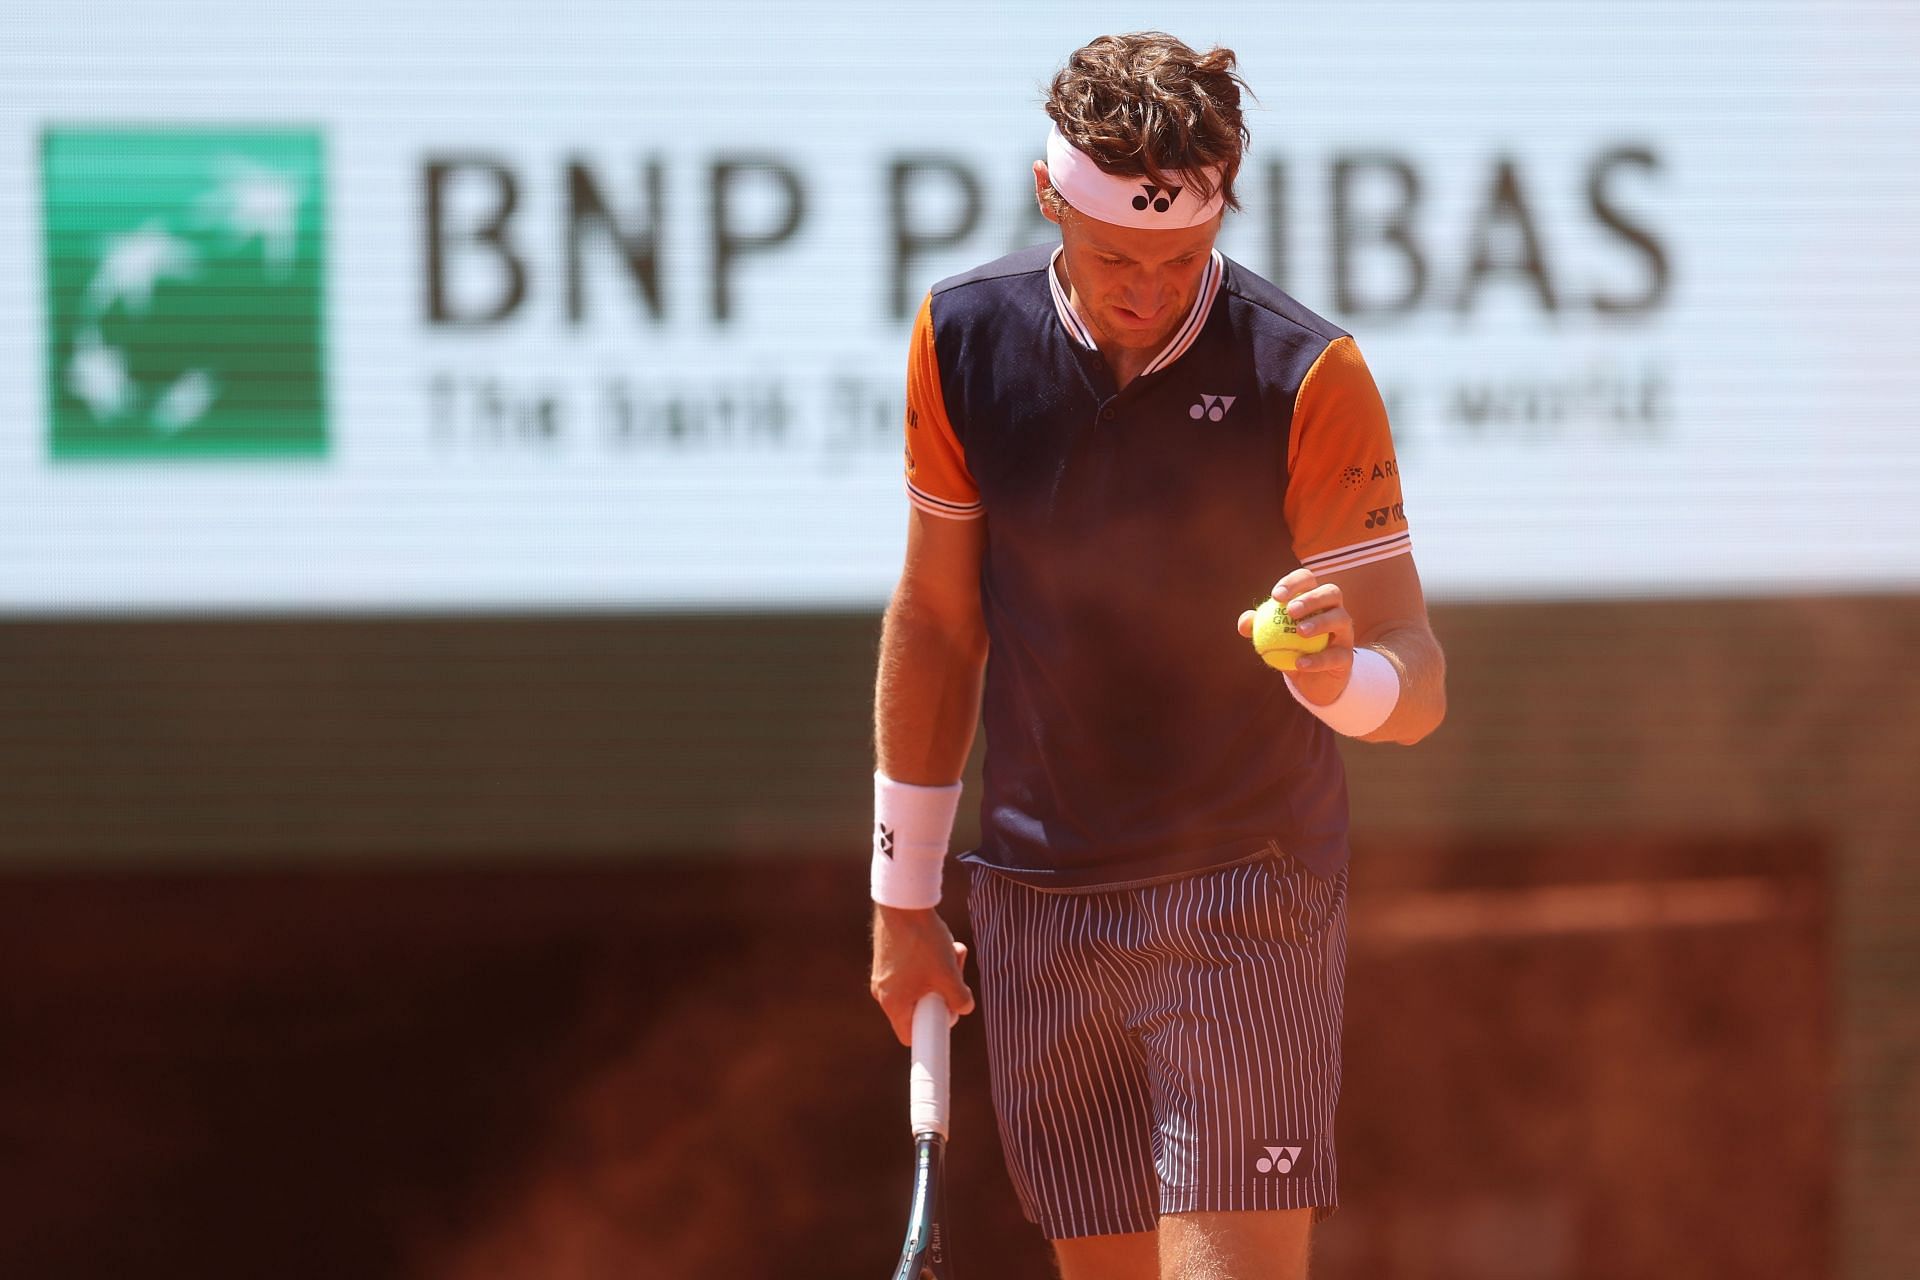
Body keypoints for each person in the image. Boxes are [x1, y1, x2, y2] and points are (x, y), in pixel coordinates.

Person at [867, 31, 1446, 1280]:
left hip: (1246, 891)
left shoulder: (1311, 373)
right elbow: (937, 619)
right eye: (1116, 257)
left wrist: (1337, 674)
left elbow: (1419, 684)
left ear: (1223, 208)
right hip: (1036, 901)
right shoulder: (961, 339)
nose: (1147, 288)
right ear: (1046, 199)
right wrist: (901, 899)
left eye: (1180, 258)